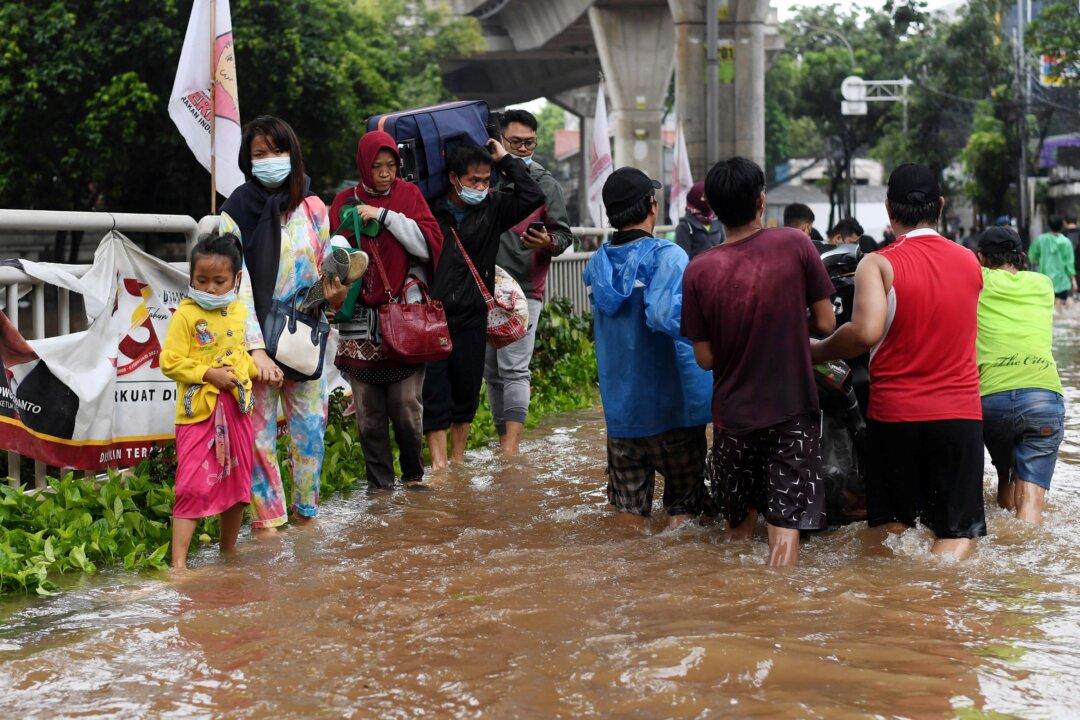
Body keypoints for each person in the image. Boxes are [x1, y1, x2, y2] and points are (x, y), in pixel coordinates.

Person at [811, 163, 985, 559]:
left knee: (892, 530)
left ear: (889, 209)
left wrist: (816, 349)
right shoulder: (970, 262)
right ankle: (933, 601)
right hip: (959, 417)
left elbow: (865, 333)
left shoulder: (878, 263)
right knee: (955, 532)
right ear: (941, 205)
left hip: (896, 418)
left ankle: (894, 610)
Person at [682, 157, 835, 566]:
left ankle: (736, 612)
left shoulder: (699, 270)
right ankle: (778, 610)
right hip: (792, 411)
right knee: (785, 529)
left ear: (712, 210)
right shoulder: (797, 244)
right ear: (761, 200)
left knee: (735, 532)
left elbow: (704, 358)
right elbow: (825, 322)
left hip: (733, 419)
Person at [220, 115, 343, 531]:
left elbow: (328, 268)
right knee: (258, 438)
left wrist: (337, 291)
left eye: (277, 150)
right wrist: (256, 349)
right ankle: (268, 525)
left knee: (311, 430)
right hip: (254, 340)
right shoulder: (234, 212)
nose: (270, 159)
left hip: (305, 336)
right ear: (247, 160)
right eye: (260, 153)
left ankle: (307, 518)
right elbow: (235, 288)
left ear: (292, 153)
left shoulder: (314, 207)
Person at [582, 167, 712, 525]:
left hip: (622, 413)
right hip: (674, 409)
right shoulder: (668, 256)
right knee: (683, 513)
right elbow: (665, 315)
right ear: (652, 205)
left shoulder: (596, 263)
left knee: (628, 515)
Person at [329, 131, 444, 489]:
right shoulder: (343, 202)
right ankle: (380, 488)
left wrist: (385, 215)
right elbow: (333, 257)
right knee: (369, 415)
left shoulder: (409, 196)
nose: (384, 173)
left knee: (407, 406)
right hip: (360, 322)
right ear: (363, 165)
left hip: (403, 316)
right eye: (376, 166)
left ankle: (413, 477)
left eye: (391, 165)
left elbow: (428, 245)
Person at [425, 141, 543, 468]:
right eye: (473, 180)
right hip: (433, 315)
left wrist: (505, 159)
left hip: (473, 315)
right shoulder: (431, 210)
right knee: (434, 390)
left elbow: (533, 195)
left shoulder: (492, 208)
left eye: (485, 180)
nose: (481, 187)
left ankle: (458, 461)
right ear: (453, 177)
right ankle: (439, 465)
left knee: (466, 388)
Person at [161, 233, 259, 569]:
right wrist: (208, 373)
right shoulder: (185, 316)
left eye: (219, 281)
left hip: (237, 409)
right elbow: (169, 361)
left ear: (236, 279)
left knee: (238, 483)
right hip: (198, 414)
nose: (211, 289)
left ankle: (228, 553)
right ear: (190, 278)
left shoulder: (240, 311)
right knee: (191, 484)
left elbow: (243, 354)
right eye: (201, 280)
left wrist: (246, 369)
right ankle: (179, 565)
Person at [483, 110, 574, 456]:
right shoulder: (486, 178)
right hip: (483, 287)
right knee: (491, 371)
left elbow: (564, 235)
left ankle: (512, 448)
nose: (522, 149)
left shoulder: (544, 182)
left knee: (514, 368)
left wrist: (547, 243)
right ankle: (502, 438)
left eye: (529, 143)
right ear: (500, 140)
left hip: (524, 288)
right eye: (515, 142)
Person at [975, 226, 1065, 526]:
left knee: (1004, 474)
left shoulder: (977, 281)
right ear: (1021, 256)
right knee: (1030, 508)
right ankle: (1024, 555)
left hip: (991, 401)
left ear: (982, 258)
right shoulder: (1043, 284)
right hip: (1043, 399)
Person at [1029, 215, 1076, 309]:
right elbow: (1069, 263)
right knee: (1061, 307)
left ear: (1049, 225)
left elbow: (1032, 257)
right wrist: (1073, 280)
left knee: (1047, 307)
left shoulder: (1040, 240)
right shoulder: (1066, 242)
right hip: (1062, 281)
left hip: (1045, 279)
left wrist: (1041, 260)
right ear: (1062, 225)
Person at [675, 181, 725, 259]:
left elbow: (724, 249)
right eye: (704, 197)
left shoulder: (717, 220)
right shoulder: (685, 226)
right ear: (695, 198)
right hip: (696, 270)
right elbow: (682, 259)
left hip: (718, 270)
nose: (708, 200)